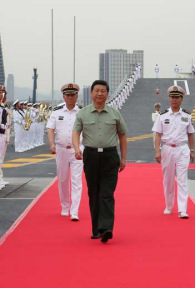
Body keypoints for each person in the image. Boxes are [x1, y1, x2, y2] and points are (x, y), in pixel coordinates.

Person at [72, 80, 127, 243]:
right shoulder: (83, 113)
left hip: (110, 157)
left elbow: (122, 136)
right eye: (97, 91)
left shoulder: (114, 113)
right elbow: (76, 132)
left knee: (107, 193)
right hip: (91, 156)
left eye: (103, 91)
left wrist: (123, 158)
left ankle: (107, 228)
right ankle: (96, 229)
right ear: (91, 93)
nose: (99, 94)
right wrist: (77, 148)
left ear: (107, 93)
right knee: (94, 193)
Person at [152, 86, 195, 219]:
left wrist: (192, 150)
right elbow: (158, 135)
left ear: (181, 99)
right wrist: (157, 151)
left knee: (182, 179)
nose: (174, 100)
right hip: (167, 148)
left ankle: (182, 209)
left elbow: (190, 134)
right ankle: (169, 205)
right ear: (169, 98)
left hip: (182, 149)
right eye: (172, 97)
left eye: (177, 97)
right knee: (168, 179)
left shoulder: (187, 115)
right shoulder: (163, 115)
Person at [46, 83, 83, 221]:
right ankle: (65, 206)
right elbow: (50, 129)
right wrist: (51, 144)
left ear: (76, 96)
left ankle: (75, 211)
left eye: (72, 95)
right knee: (63, 179)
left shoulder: (82, 112)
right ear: (63, 96)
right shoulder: (56, 112)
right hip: (61, 149)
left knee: (76, 180)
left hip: (77, 150)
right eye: (67, 95)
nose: (70, 97)